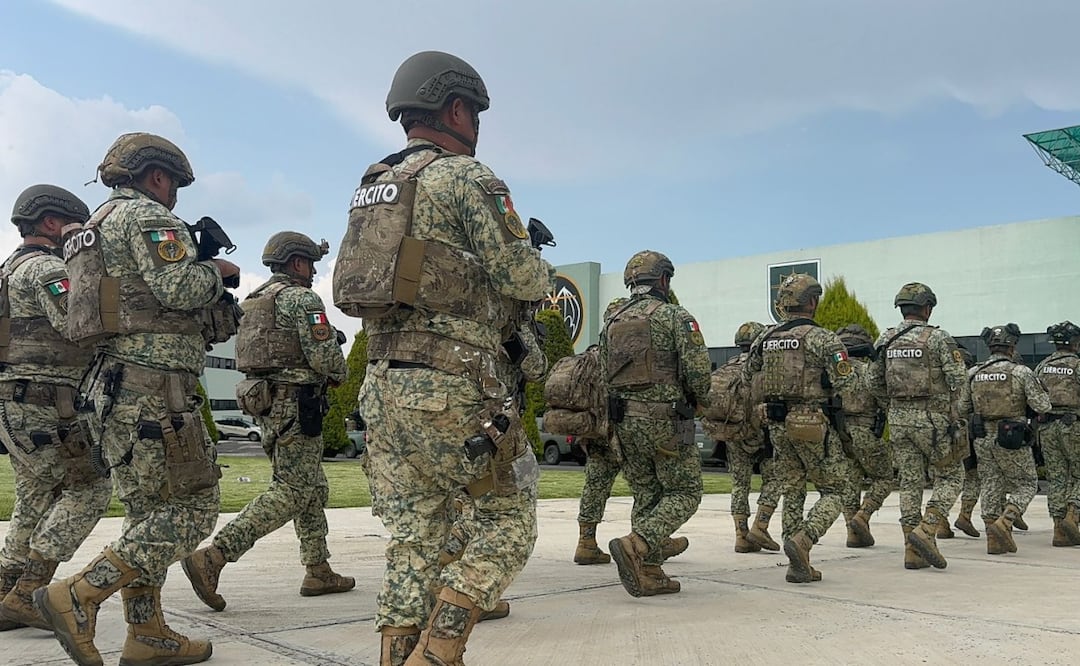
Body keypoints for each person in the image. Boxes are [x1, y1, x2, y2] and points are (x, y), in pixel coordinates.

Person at [346, 51, 554, 666]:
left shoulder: (374, 186)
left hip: (383, 384)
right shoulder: (468, 178)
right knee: (509, 520)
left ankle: (396, 655)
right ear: (455, 108)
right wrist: (541, 272)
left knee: (412, 540)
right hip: (453, 384)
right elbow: (522, 275)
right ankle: (437, 653)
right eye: (475, 113)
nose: (478, 125)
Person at [34, 132, 239, 666]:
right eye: (172, 185)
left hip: (112, 385)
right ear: (156, 176)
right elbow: (180, 290)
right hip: (155, 388)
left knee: (148, 513)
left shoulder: (89, 230)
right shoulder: (148, 216)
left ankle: (146, 632)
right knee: (195, 509)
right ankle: (78, 594)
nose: (173, 197)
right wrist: (215, 274)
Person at [183, 232, 354, 609]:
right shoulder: (302, 298)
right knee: (292, 490)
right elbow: (324, 355)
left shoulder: (257, 300)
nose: (312, 272)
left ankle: (318, 569)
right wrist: (339, 373)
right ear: (296, 263)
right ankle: (214, 556)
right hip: (299, 405)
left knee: (309, 487)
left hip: (269, 405)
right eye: (309, 264)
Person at [0, 186, 112, 632]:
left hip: (15, 401)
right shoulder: (47, 268)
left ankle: (7, 587)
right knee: (90, 488)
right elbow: (80, 322)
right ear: (51, 224)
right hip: (45, 402)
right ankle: (30, 591)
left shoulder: (8, 270)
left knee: (36, 494)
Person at [601, 250, 711, 597]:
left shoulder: (612, 322)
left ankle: (648, 568)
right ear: (663, 280)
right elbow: (698, 374)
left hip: (625, 421)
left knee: (647, 491)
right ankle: (638, 544)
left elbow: (603, 373)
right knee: (686, 490)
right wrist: (697, 399)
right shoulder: (676, 317)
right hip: (667, 420)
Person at [743, 274, 854, 583]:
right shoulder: (822, 338)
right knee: (837, 489)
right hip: (811, 422)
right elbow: (847, 380)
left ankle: (798, 561)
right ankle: (804, 540)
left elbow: (747, 374)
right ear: (813, 302)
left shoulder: (765, 337)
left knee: (793, 486)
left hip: (777, 422)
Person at [866, 282, 969, 571]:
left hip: (898, 421)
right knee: (951, 476)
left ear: (902, 309)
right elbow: (959, 379)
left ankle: (912, 550)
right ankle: (927, 529)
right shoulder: (938, 338)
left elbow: (872, 381)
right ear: (928, 308)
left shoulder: (885, 339)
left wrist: (892, 405)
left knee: (910, 482)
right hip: (933, 422)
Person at [968, 324, 1051, 554]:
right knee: (1026, 483)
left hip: (982, 435)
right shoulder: (1021, 372)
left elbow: (962, 406)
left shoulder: (974, 373)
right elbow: (1042, 405)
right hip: (1011, 435)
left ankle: (992, 539)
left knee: (991, 483)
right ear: (1012, 345)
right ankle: (1005, 523)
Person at [701, 321, 768, 553]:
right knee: (774, 480)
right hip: (759, 434)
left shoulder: (727, 367)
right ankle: (761, 525)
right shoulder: (762, 367)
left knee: (740, 484)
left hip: (732, 432)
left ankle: (741, 535)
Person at [836, 324, 894, 549]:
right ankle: (864, 515)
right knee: (885, 478)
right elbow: (884, 400)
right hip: (866, 430)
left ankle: (853, 532)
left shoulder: (835, 371)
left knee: (850, 481)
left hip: (841, 432)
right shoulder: (869, 372)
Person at [1035, 321, 1080, 547]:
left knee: (1056, 477)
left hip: (1047, 427)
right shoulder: (1077, 364)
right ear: (1074, 342)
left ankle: (1058, 529)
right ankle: (1073, 514)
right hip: (1074, 425)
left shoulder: (1043, 365)